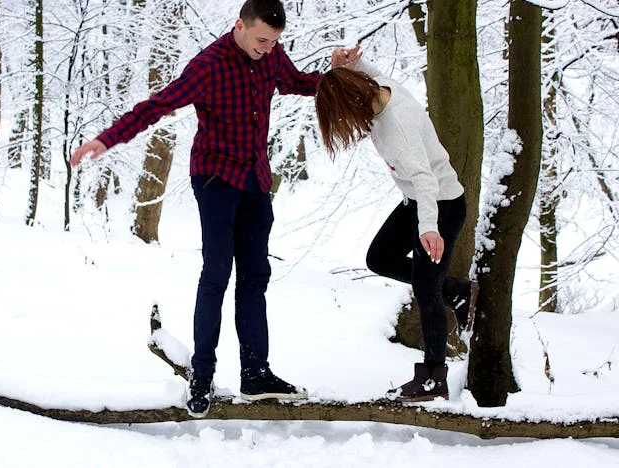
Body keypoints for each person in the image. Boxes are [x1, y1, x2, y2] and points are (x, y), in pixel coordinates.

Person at [71, 0, 360, 417]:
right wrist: (107, 139)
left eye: (274, 42)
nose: (268, 48)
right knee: (217, 273)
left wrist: (338, 72)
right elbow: (157, 105)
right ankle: (202, 375)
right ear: (239, 26)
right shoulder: (208, 66)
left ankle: (255, 373)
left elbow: (299, 82)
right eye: (262, 40)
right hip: (215, 178)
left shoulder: (272, 55)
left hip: (256, 180)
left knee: (256, 275)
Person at [314, 49, 477, 402]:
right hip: (414, 202)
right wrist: (352, 66)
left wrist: (429, 227)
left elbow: (425, 179)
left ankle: (434, 378)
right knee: (380, 257)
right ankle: (458, 291)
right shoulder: (381, 88)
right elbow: (368, 76)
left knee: (425, 289)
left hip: (440, 206)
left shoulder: (396, 128)